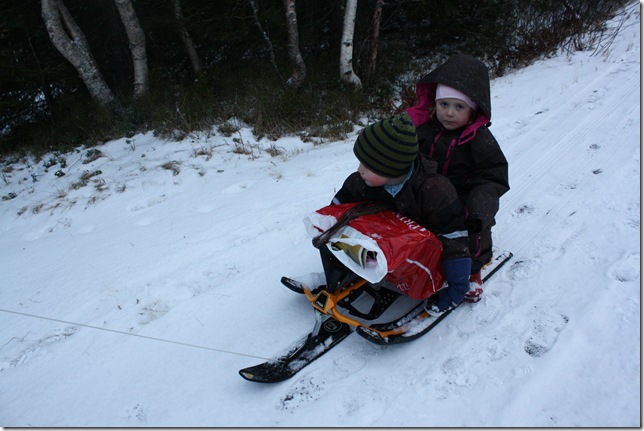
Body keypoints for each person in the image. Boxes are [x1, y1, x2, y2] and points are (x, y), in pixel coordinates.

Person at [327, 112, 473, 314]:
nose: (359, 170)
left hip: (425, 253)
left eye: (367, 167)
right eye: (361, 163)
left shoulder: (434, 191)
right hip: (390, 242)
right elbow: (338, 206)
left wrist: (458, 283)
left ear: (391, 168)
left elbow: (454, 237)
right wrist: (326, 228)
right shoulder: (361, 182)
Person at [405, 53, 510, 303]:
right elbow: (405, 152)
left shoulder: (479, 139)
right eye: (444, 105)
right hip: (428, 193)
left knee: (471, 228)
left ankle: (472, 270)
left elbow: (493, 175)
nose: (449, 113)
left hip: (462, 197)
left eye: (459, 107)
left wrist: (481, 204)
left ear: (473, 110)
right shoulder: (424, 128)